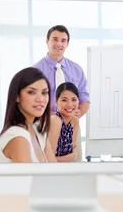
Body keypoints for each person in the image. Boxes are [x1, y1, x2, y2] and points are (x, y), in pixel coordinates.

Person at [33, 25, 88, 161]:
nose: (59, 44)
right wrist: (52, 116)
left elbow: (85, 98)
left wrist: (76, 112)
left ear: (67, 44)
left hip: (71, 127)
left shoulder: (76, 69)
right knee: (47, 164)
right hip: (45, 126)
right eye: (55, 39)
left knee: (74, 166)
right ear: (47, 41)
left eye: (63, 40)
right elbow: (31, 102)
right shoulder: (35, 71)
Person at [0, 67, 57, 163]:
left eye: (44, 93)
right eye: (31, 92)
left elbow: (55, 173)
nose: (40, 99)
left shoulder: (39, 132)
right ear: (17, 96)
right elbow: (30, 177)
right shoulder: (17, 137)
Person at [47, 82, 80, 162]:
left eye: (74, 99)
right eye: (64, 100)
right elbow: (48, 161)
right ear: (56, 102)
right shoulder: (55, 120)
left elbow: (74, 154)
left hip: (65, 170)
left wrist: (68, 158)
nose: (70, 104)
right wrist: (67, 159)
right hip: (50, 171)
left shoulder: (74, 121)